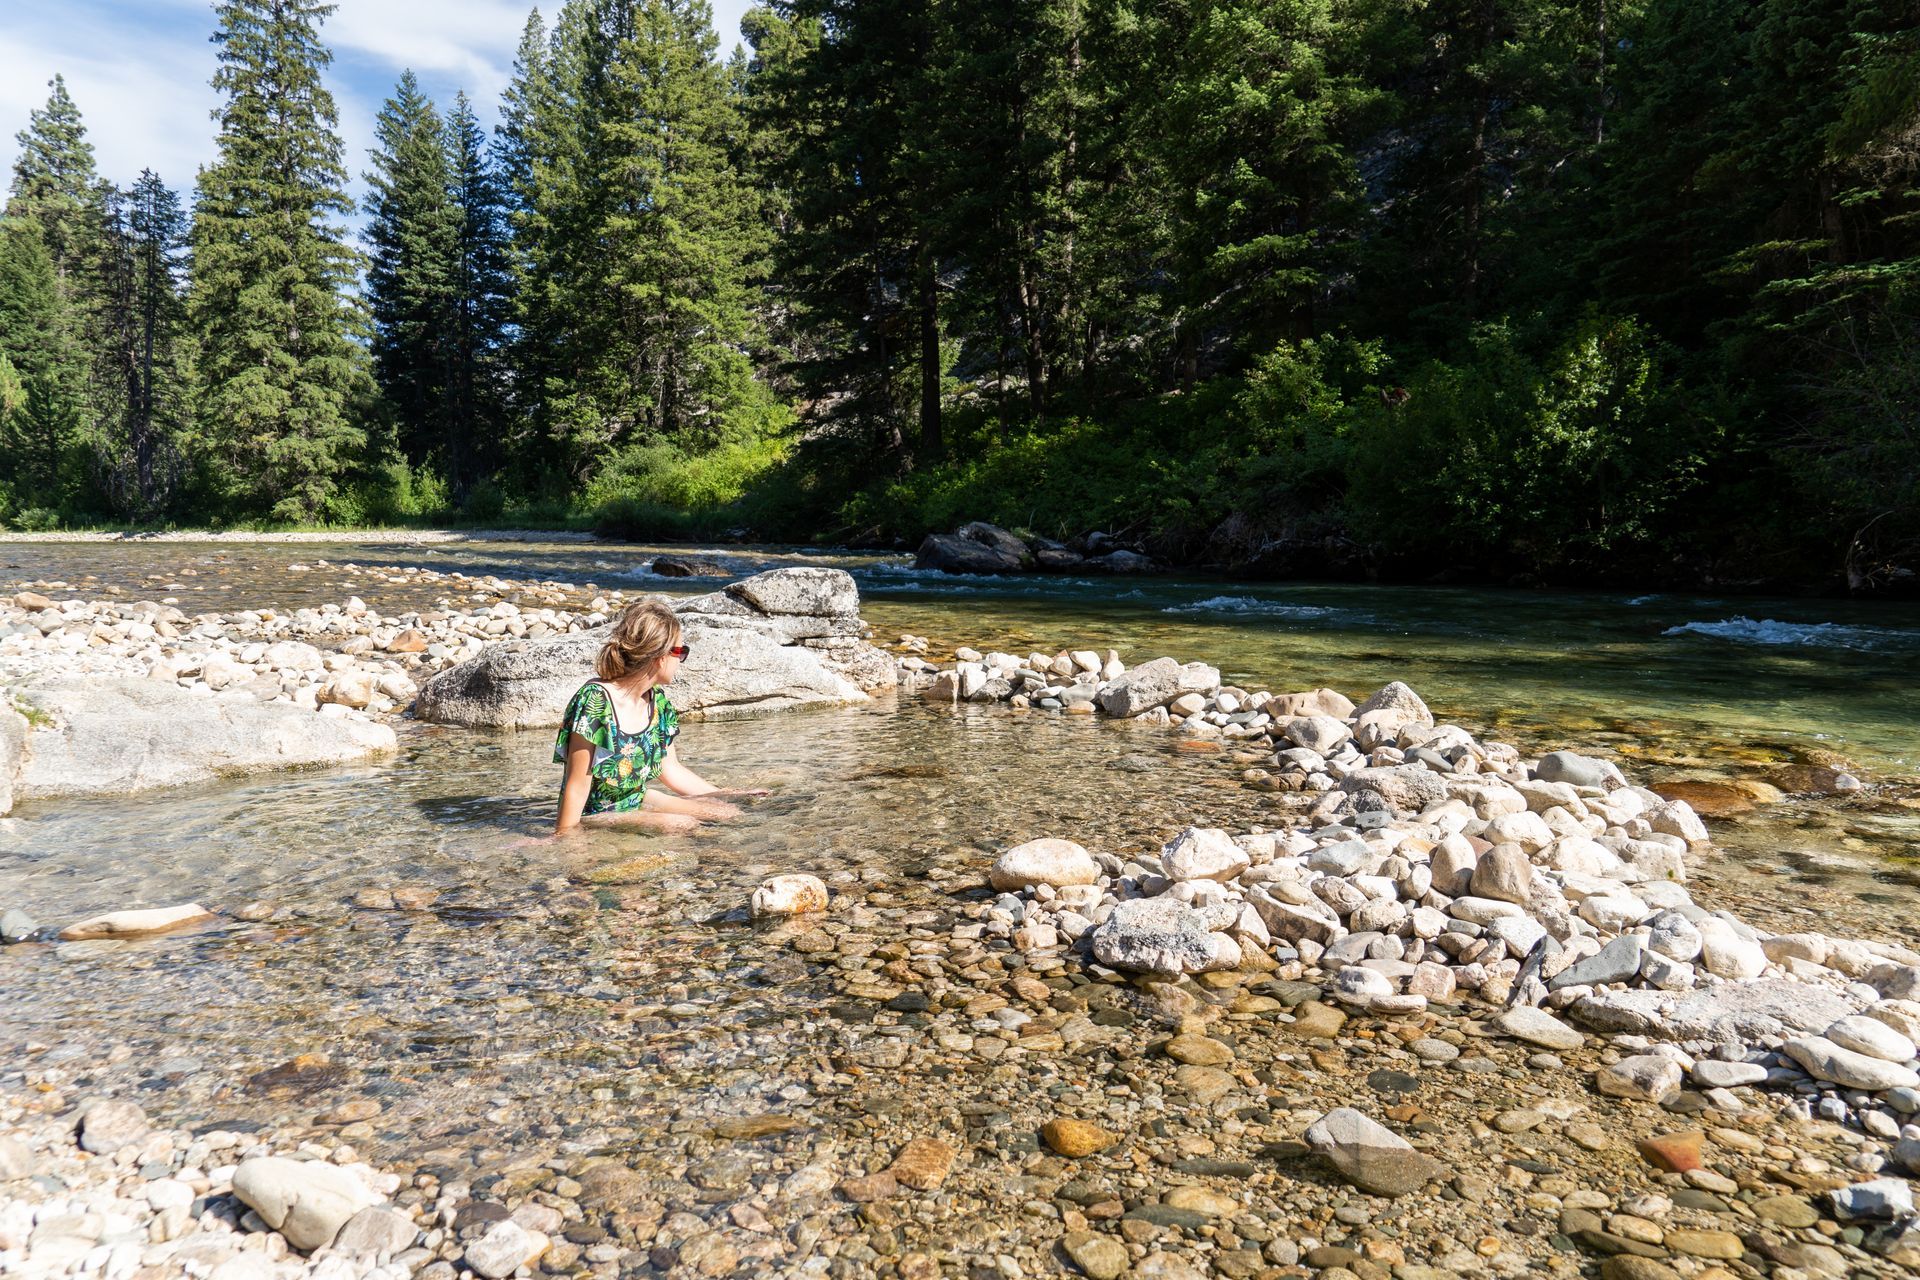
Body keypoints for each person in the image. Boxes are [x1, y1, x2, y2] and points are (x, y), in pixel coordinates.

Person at [552, 597, 760, 836]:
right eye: (681, 651)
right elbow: (576, 787)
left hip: (637, 798)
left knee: (728, 813)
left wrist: (726, 794)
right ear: (660, 657)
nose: (681, 660)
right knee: (682, 824)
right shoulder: (595, 702)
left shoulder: (657, 701)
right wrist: (564, 838)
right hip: (597, 811)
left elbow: (670, 769)